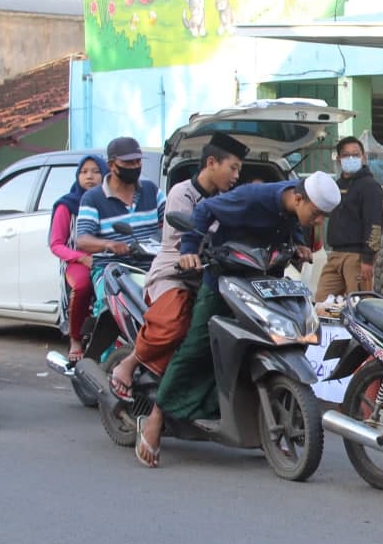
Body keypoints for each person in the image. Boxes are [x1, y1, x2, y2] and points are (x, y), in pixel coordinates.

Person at [139, 172, 340, 466]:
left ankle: (263, 425)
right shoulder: (252, 198)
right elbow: (205, 210)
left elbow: (293, 222)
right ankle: (156, 417)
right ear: (298, 198)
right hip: (222, 279)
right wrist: (188, 251)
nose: (319, 221)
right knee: (197, 347)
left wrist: (298, 243)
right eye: (317, 213)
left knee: (273, 342)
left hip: (263, 283)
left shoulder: (293, 206)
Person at [112, 133, 247, 465]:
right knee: (175, 327)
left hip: (214, 275)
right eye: (233, 167)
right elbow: (184, 238)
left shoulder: (229, 198)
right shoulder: (181, 193)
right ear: (211, 163)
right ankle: (128, 364)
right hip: (175, 273)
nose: (236, 176)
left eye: (239, 170)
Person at [74, 137, 165, 311]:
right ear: (112, 165)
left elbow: (171, 221)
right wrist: (109, 244)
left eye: (138, 161)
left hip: (153, 268)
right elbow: (83, 240)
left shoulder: (151, 190)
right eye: (128, 162)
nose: (135, 166)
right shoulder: (93, 198)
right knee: (109, 309)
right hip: (111, 269)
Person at [47, 156, 106, 361]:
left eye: (96, 171)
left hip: (108, 258)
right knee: (82, 286)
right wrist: (80, 257)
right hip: (78, 262)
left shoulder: (110, 201)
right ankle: (75, 338)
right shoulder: (67, 205)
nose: (89, 176)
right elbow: (56, 244)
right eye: (84, 171)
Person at [314, 136, 383, 301]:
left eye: (356, 154)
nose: (351, 158)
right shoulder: (335, 186)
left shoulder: (370, 186)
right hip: (335, 255)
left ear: (364, 157)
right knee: (321, 304)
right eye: (346, 155)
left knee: (359, 306)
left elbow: (375, 225)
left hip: (357, 258)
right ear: (339, 159)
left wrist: (368, 260)